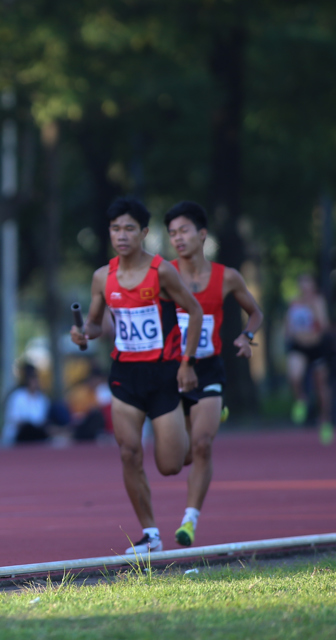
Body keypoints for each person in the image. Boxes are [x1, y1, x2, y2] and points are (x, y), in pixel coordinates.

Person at [70, 197, 203, 556]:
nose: (122, 235)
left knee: (171, 465)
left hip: (163, 376)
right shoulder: (103, 276)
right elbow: (97, 324)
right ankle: (150, 534)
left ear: (144, 232)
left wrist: (187, 363)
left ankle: (194, 426)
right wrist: (83, 333)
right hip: (125, 376)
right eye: (115, 228)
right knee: (129, 453)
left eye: (130, 228)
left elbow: (195, 309)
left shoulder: (162, 272)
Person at [165, 201, 264, 546]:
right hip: (173, 371)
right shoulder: (165, 275)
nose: (178, 238)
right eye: (172, 233)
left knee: (203, 446)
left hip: (207, 368)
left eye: (184, 231)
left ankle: (189, 521)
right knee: (180, 457)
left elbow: (255, 313)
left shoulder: (227, 277)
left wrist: (246, 336)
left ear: (202, 234)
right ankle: (212, 413)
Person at [284, 273, 333, 445]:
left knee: (321, 386)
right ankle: (301, 399)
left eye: (308, 283)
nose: (305, 287)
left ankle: (325, 421)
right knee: (294, 375)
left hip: (317, 348)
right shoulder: (294, 303)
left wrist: (313, 310)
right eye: (302, 283)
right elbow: (288, 327)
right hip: (299, 347)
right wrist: (292, 335)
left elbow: (324, 326)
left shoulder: (318, 302)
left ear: (313, 285)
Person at [1, 363, 52, 445]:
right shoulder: (17, 397)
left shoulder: (42, 399)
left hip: (36, 434)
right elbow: (14, 420)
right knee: (28, 429)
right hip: (19, 434)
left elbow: (42, 421)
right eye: (33, 380)